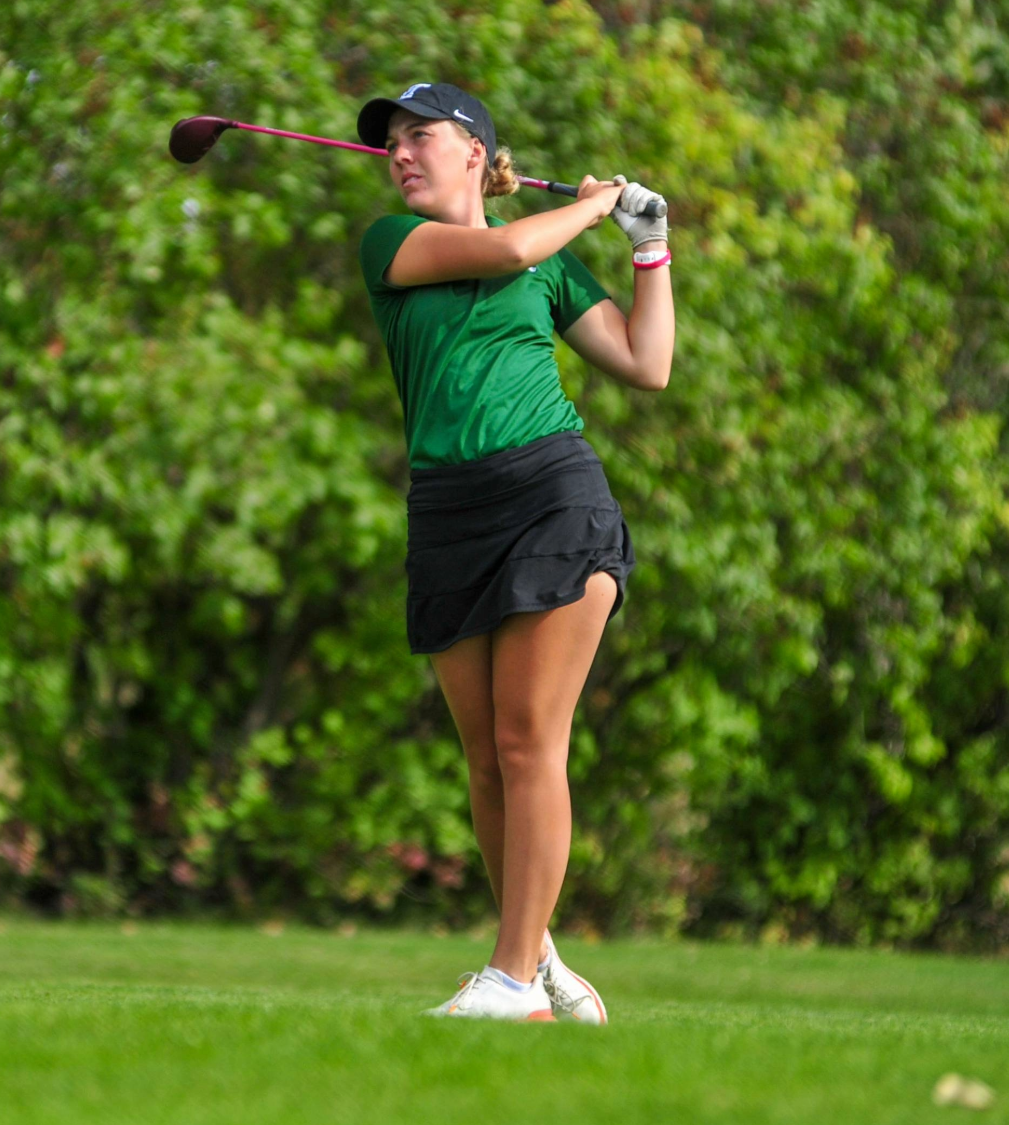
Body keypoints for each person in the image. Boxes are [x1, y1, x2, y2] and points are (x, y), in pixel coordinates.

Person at [353, 82, 674, 1023]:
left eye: (421, 137)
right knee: (487, 761)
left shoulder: (550, 261)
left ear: (475, 153)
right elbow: (503, 245)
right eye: (392, 144)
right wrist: (591, 204)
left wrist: (648, 246)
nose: (400, 154)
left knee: (530, 741)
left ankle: (510, 980)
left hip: (551, 496)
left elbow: (646, 364)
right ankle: (532, 959)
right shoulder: (394, 245)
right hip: (448, 513)